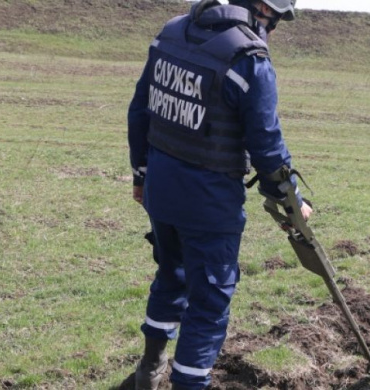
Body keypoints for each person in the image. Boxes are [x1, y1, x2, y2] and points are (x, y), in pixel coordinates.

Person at [122, 0, 310, 389]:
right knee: (209, 302)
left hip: (160, 187)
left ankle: (149, 372)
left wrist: (141, 174)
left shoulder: (171, 32)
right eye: (274, 21)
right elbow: (268, 148)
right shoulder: (249, 60)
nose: (271, 31)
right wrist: (291, 200)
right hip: (209, 202)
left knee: (170, 276)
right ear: (262, 8)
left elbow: (140, 110)